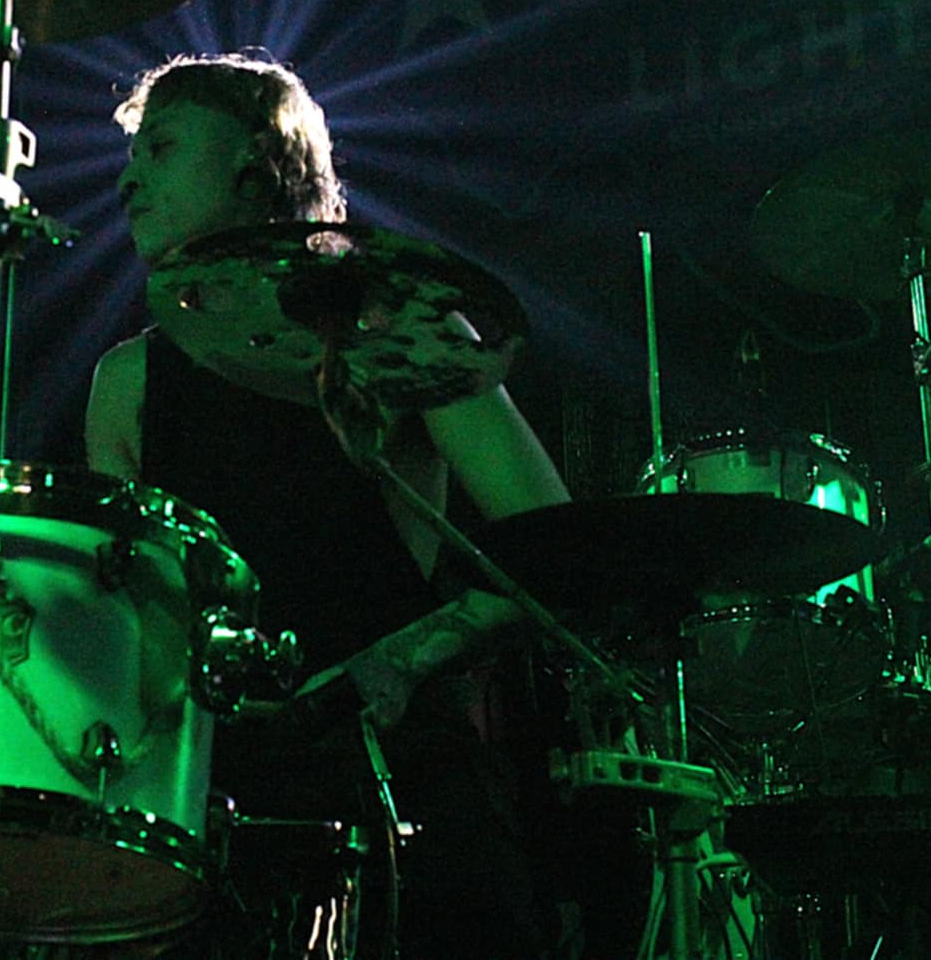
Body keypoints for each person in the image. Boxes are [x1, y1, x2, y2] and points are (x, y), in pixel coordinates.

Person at [84, 51, 571, 957]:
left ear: (255, 156)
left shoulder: (400, 327)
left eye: (163, 147)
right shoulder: (127, 382)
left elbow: (555, 547)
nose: (128, 180)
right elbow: (137, 621)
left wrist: (399, 662)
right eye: (133, 154)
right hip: (213, 815)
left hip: (402, 794)